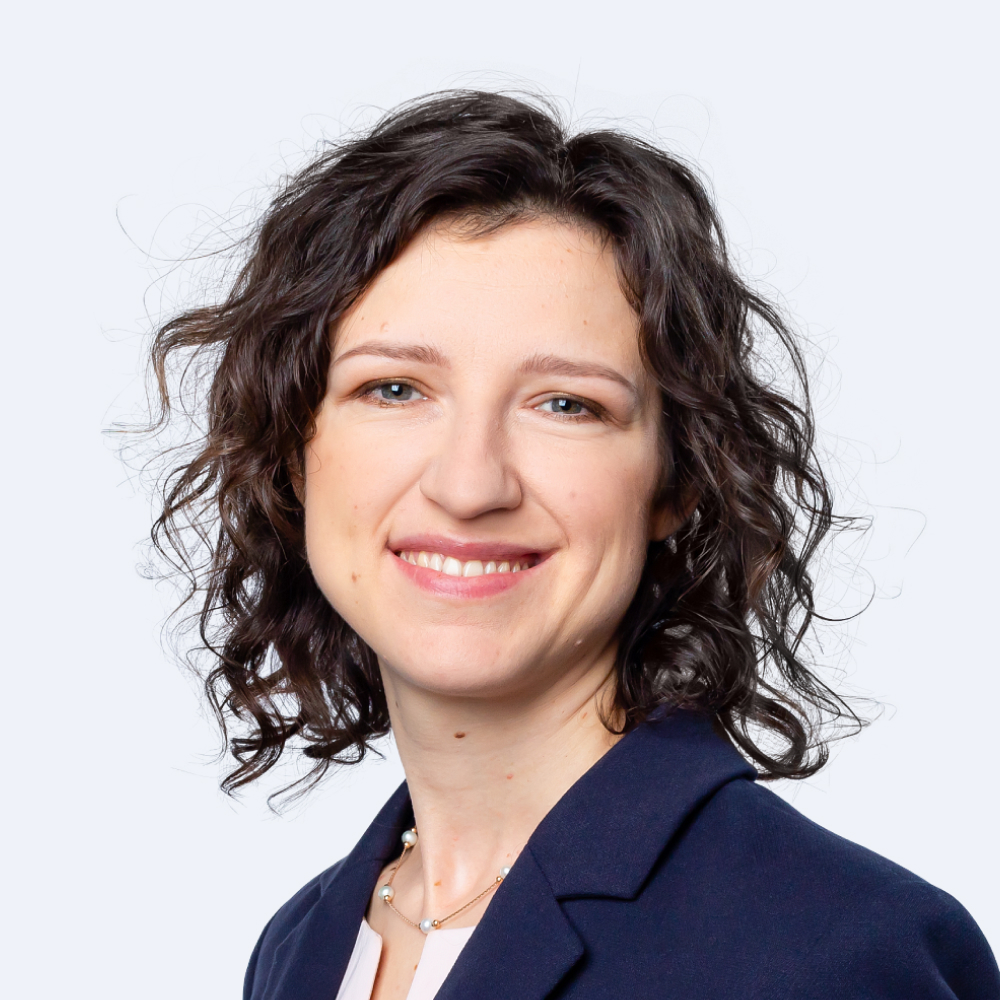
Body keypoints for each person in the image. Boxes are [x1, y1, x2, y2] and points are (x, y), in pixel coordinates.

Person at [146, 91, 999, 1000]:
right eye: (394, 389)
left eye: (567, 405)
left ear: (677, 481)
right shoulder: (303, 945)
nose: (469, 484)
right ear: (292, 450)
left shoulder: (837, 950)